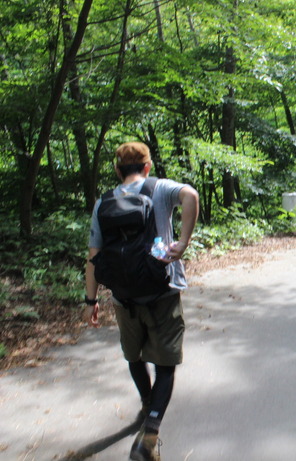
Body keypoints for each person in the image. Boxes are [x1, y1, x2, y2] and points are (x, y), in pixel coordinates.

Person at [84, 142, 199, 461]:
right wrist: (183, 242)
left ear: (117, 170)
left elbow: (93, 257)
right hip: (162, 290)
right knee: (165, 363)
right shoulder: (159, 188)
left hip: (123, 298)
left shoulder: (102, 203)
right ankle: (149, 431)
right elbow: (191, 195)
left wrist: (90, 299)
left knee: (133, 356)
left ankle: (147, 403)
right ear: (146, 167)